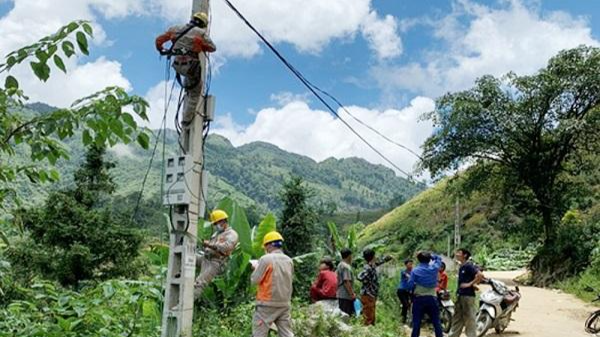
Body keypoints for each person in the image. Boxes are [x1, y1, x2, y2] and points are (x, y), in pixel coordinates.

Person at [155, 12, 216, 122]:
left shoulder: (176, 28)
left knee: (190, 85)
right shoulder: (200, 33)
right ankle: (187, 120)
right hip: (191, 67)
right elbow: (212, 48)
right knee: (196, 91)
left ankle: (186, 110)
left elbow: (159, 40)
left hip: (177, 64)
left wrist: (161, 49)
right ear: (203, 24)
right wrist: (199, 45)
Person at [251, 231, 294, 337]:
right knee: (286, 333)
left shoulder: (266, 259)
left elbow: (254, 280)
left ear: (269, 245)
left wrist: (256, 267)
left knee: (259, 333)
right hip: (284, 303)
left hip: (267, 304)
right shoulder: (289, 260)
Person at [193, 209, 239, 299]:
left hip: (216, 262)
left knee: (200, 283)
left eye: (217, 223)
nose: (216, 225)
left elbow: (226, 247)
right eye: (214, 224)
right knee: (187, 257)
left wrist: (209, 244)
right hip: (205, 258)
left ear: (224, 221)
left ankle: (187, 304)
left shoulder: (232, 234)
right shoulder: (216, 234)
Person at [449, 248, 484, 337]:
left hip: (468, 296)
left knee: (469, 318)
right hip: (461, 295)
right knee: (457, 317)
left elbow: (480, 275)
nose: (456, 254)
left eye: (459, 253)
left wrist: (470, 284)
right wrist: (472, 284)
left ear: (464, 255)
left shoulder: (468, 266)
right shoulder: (462, 266)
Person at [408, 251, 444, 337]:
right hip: (432, 298)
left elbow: (409, 285)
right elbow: (439, 258)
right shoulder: (434, 268)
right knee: (436, 322)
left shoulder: (415, 271)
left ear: (418, 260)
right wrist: (432, 255)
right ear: (429, 260)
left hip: (419, 299)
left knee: (416, 322)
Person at [357, 249, 391, 325]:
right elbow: (360, 277)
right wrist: (367, 281)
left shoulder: (370, 266)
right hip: (368, 294)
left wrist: (385, 260)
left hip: (371, 294)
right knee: (368, 318)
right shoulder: (368, 268)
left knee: (371, 316)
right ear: (373, 257)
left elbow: (376, 264)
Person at [336, 248, 356, 316]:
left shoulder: (340, 265)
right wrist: (352, 294)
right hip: (345, 295)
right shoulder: (345, 267)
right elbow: (346, 281)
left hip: (341, 295)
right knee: (346, 315)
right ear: (349, 256)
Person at [397, 258, 414, 324]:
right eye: (409, 264)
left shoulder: (413, 271)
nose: (411, 265)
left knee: (411, 303)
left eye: (412, 264)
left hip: (409, 291)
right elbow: (408, 276)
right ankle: (403, 319)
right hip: (401, 291)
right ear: (406, 265)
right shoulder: (403, 271)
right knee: (406, 305)